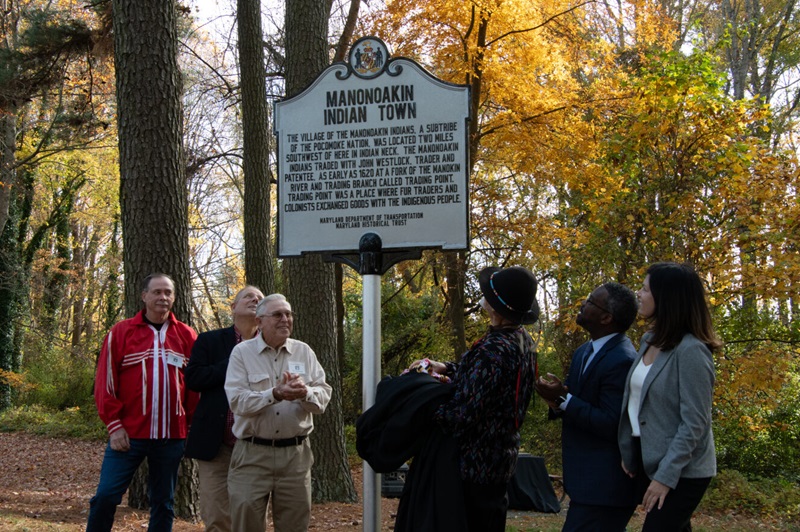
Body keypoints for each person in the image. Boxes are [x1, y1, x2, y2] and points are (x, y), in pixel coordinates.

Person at [405, 265, 540, 532]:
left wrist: (421, 399)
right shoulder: (520, 341)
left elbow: (460, 416)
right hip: (498, 463)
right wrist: (446, 367)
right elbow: (485, 379)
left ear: (494, 306)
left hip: (472, 470)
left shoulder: (493, 351)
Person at [87, 273, 198, 532]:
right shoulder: (121, 332)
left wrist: (189, 426)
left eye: (168, 292)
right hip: (128, 435)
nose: (163, 297)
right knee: (106, 496)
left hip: (172, 436)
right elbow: (105, 383)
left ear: (174, 297)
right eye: (157, 292)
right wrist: (114, 426)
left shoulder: (187, 335)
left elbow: (194, 387)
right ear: (144, 296)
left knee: (164, 502)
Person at [618, 262, 722, 531]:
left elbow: (695, 424)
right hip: (649, 460)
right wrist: (630, 452)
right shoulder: (649, 340)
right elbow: (637, 402)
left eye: (645, 289)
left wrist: (665, 476)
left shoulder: (692, 352)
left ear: (667, 298)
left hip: (684, 470)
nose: (638, 294)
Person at [535, 282, 639, 531]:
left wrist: (565, 399)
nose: (583, 304)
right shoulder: (584, 351)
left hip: (606, 485)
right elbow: (572, 400)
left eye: (591, 301)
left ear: (606, 317)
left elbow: (612, 423)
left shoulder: (622, 360)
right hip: (585, 483)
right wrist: (554, 399)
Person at [224, 294, 332, 532]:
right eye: (277, 315)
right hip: (252, 455)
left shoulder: (304, 352)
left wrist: (305, 393)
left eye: (288, 314)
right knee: (246, 525)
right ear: (260, 321)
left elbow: (323, 396)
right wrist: (275, 393)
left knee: (295, 526)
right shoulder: (242, 353)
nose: (285, 319)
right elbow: (237, 402)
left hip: (296, 456)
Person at [184, 285, 264, 532]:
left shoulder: (272, 345)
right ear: (233, 308)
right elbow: (194, 378)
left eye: (260, 298)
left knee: (251, 516)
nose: (254, 299)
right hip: (215, 444)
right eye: (248, 296)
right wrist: (236, 358)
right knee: (217, 516)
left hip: (256, 444)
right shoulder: (209, 340)